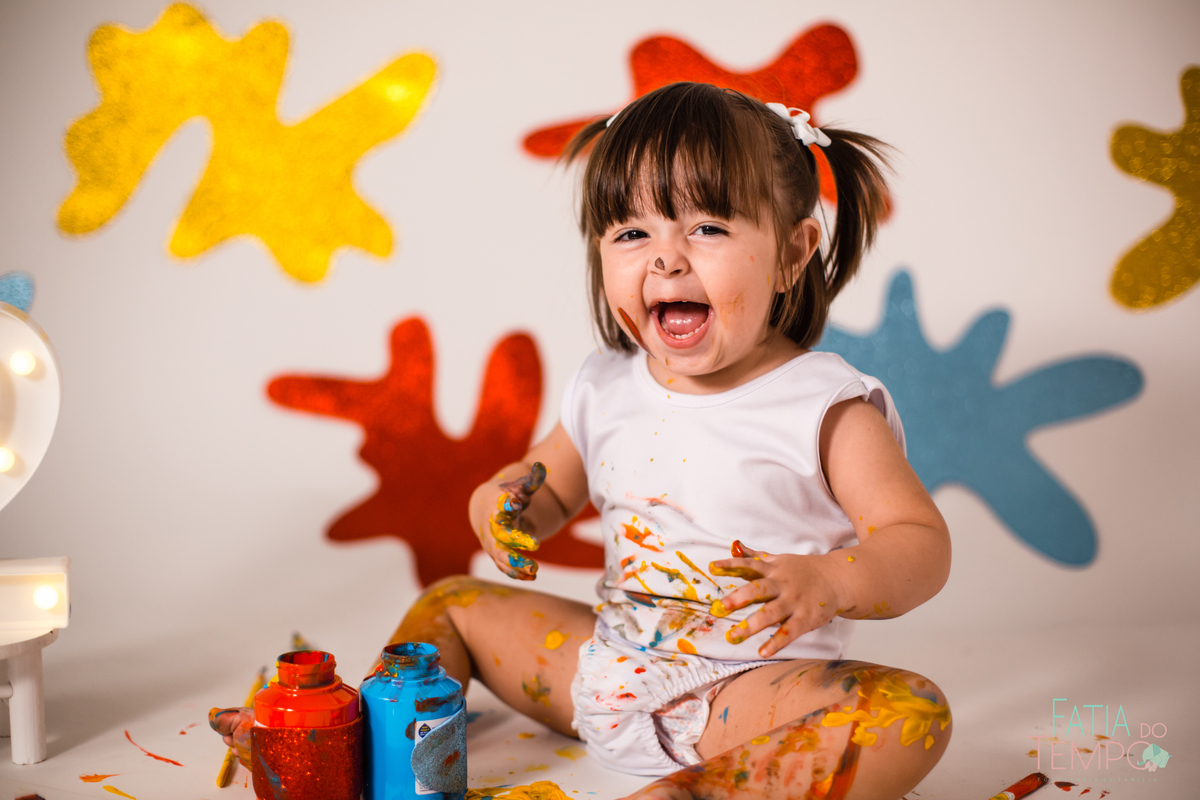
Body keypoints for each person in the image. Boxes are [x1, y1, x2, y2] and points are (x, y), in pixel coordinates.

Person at [214, 81, 952, 800]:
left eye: (708, 228)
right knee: (452, 602)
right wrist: (503, 505)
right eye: (633, 233)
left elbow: (918, 542)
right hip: (601, 669)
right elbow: (548, 485)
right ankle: (347, 752)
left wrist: (832, 581)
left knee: (911, 712)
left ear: (794, 252)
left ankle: (691, 792)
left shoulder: (823, 405)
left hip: (743, 695)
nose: (665, 258)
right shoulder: (606, 385)